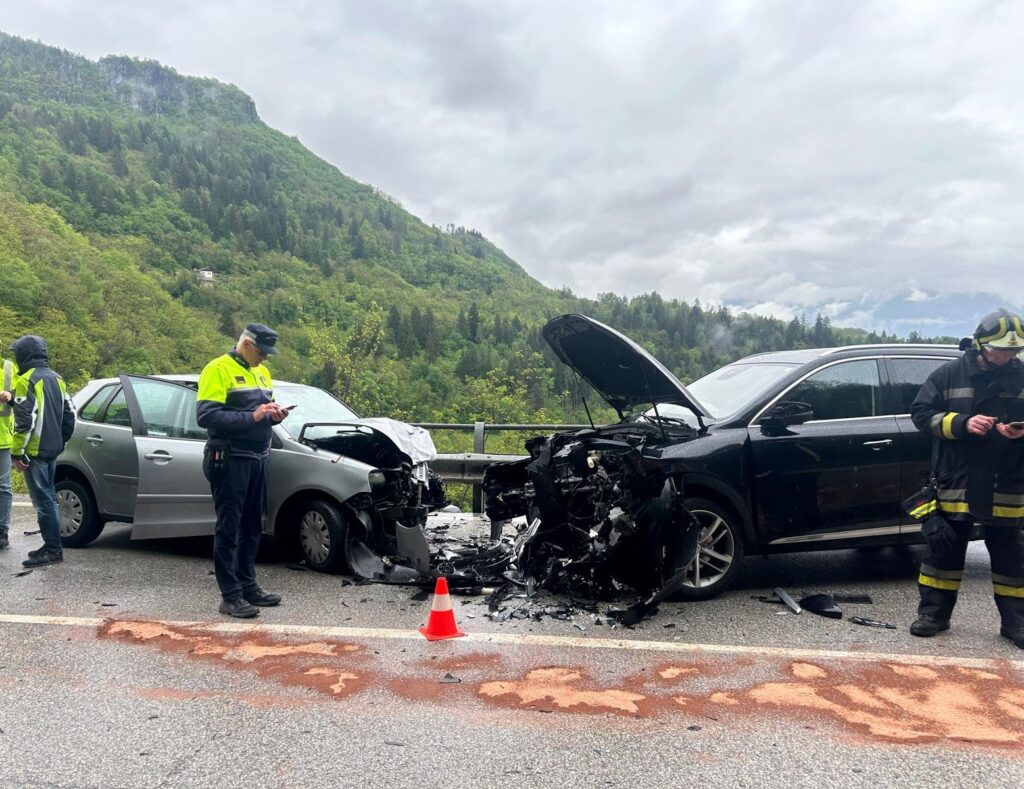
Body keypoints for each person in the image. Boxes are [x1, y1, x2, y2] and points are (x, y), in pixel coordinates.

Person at [909, 308, 1024, 649]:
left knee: (1011, 558)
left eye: (1013, 352)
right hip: (956, 479)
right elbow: (921, 414)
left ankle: (1016, 624)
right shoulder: (948, 374)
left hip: (1008, 481)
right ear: (979, 345)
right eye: (999, 350)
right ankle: (934, 616)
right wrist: (962, 423)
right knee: (943, 551)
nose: (1006, 357)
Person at [197, 323, 288, 618]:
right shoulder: (217, 369)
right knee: (229, 527)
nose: (265, 358)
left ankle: (248, 586)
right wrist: (253, 415)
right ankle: (230, 595)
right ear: (247, 344)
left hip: (259, 457)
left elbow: (260, 416)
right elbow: (207, 416)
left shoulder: (261, 372)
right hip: (231, 458)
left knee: (252, 525)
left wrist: (274, 416)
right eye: (262, 351)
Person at [0, 336, 76, 567]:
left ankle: (53, 550)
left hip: (34, 451)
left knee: (43, 501)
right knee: (49, 497)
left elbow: (25, 422)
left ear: (25, 355)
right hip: (51, 449)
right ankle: (49, 545)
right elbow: (70, 414)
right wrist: (60, 441)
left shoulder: (26, 379)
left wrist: (17, 453)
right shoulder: (57, 378)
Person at [0, 350, 17, 551]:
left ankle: (2, 531)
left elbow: (23, 396)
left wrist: (11, 396)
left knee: (3, 487)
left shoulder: (9, 367)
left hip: (3, 438)